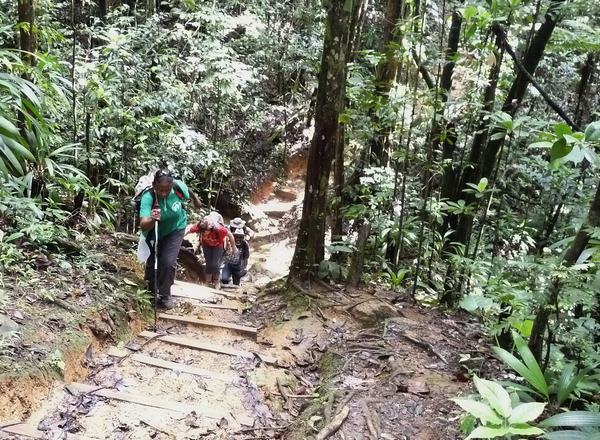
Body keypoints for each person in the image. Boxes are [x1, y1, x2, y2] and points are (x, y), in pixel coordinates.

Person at [139, 168, 190, 309]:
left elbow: (188, 192)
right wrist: (153, 219)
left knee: (167, 262)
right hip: (154, 232)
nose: (163, 193)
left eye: (166, 190)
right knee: (152, 261)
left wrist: (197, 202)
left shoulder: (178, 187)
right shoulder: (148, 197)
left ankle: (165, 295)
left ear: (171, 185)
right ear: (154, 185)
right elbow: (143, 225)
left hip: (176, 228)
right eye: (160, 190)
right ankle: (150, 291)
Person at [188, 213, 237, 289]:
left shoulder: (219, 229)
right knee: (209, 264)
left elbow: (230, 235)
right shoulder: (200, 226)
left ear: (210, 227)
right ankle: (207, 281)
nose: (206, 232)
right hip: (206, 244)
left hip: (218, 245)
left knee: (215, 264)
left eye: (207, 230)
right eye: (204, 231)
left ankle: (216, 281)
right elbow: (188, 230)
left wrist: (234, 248)